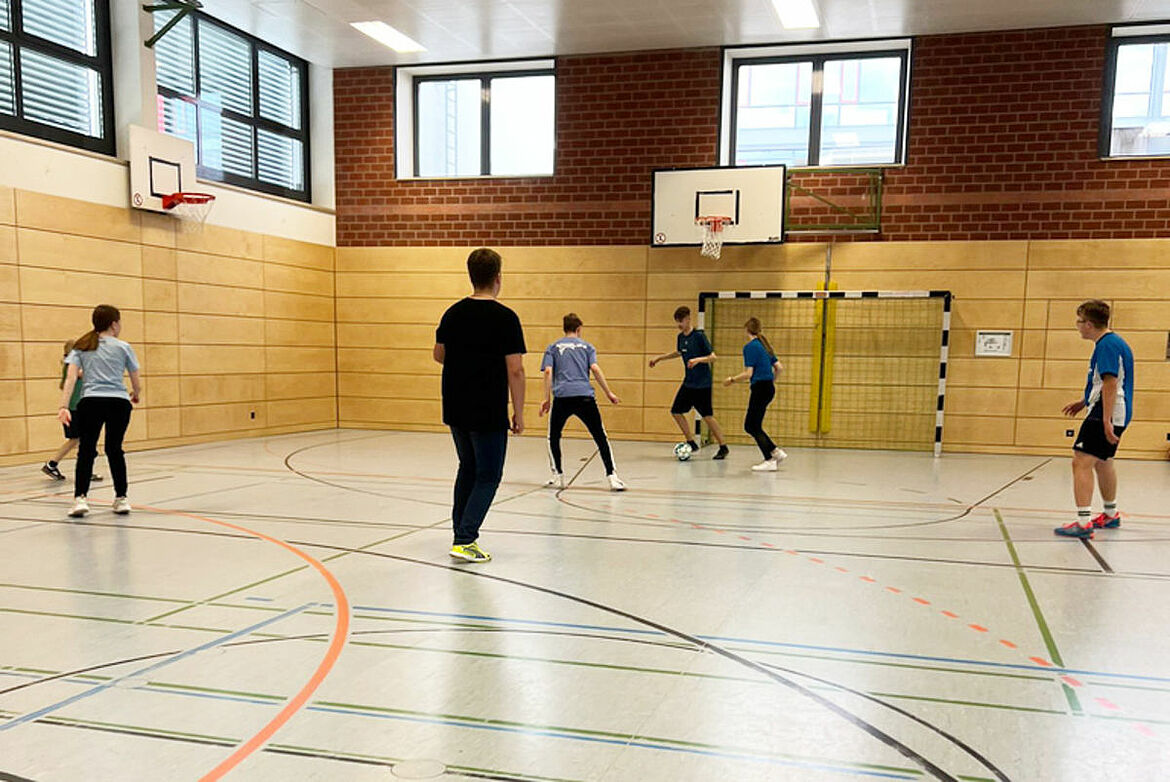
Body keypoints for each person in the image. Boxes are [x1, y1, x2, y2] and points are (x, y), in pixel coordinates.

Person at [434, 248, 526, 563]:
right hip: (487, 409)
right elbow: (515, 369)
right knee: (488, 474)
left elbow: (439, 354)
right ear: (498, 278)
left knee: (468, 468)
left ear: (471, 276)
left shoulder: (453, 313)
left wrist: (464, 359)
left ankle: (460, 533)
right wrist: (520, 411)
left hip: (456, 406)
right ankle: (465, 538)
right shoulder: (506, 318)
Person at [1055, 300, 1134, 539]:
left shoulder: (1107, 345)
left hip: (1106, 410)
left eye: (1079, 322)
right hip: (1114, 408)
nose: (1078, 326)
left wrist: (1105, 420)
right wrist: (1084, 401)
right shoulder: (1113, 342)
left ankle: (1083, 522)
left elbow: (1110, 383)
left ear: (1089, 324)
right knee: (1103, 461)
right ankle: (1111, 515)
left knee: (1080, 461)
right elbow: (1104, 382)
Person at [58, 305, 141, 517]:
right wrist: (136, 393)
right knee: (115, 450)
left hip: (91, 402)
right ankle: (121, 498)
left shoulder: (81, 347)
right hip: (118, 403)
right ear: (114, 324)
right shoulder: (123, 347)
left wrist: (63, 406)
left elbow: (70, 378)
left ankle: (80, 499)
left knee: (86, 451)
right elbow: (135, 377)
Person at [539, 313, 626, 492]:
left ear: (565, 329)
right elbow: (594, 368)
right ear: (578, 330)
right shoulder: (587, 347)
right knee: (600, 437)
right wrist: (608, 392)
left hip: (562, 397)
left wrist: (546, 399)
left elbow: (548, 372)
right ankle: (612, 477)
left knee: (553, 436)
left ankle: (558, 476)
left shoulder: (553, 347)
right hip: (585, 397)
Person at [648, 306, 729, 459]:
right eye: (677, 322)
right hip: (689, 383)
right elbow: (679, 352)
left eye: (681, 321)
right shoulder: (681, 337)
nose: (679, 324)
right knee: (676, 411)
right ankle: (691, 442)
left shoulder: (699, 336)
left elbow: (713, 357)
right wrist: (659, 358)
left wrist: (698, 360)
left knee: (707, 416)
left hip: (703, 384)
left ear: (688, 319)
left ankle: (723, 446)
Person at [723, 317, 786, 472]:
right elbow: (779, 367)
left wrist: (732, 379)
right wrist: (772, 381)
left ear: (746, 330)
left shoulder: (750, 347)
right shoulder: (765, 346)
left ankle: (770, 459)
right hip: (769, 388)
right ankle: (775, 452)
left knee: (751, 425)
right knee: (754, 424)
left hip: (760, 388)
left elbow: (749, 373)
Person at [42, 339, 103, 484]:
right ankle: (79, 469)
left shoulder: (69, 365)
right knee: (82, 439)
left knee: (77, 439)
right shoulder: (73, 365)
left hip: (76, 408)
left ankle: (52, 464)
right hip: (76, 409)